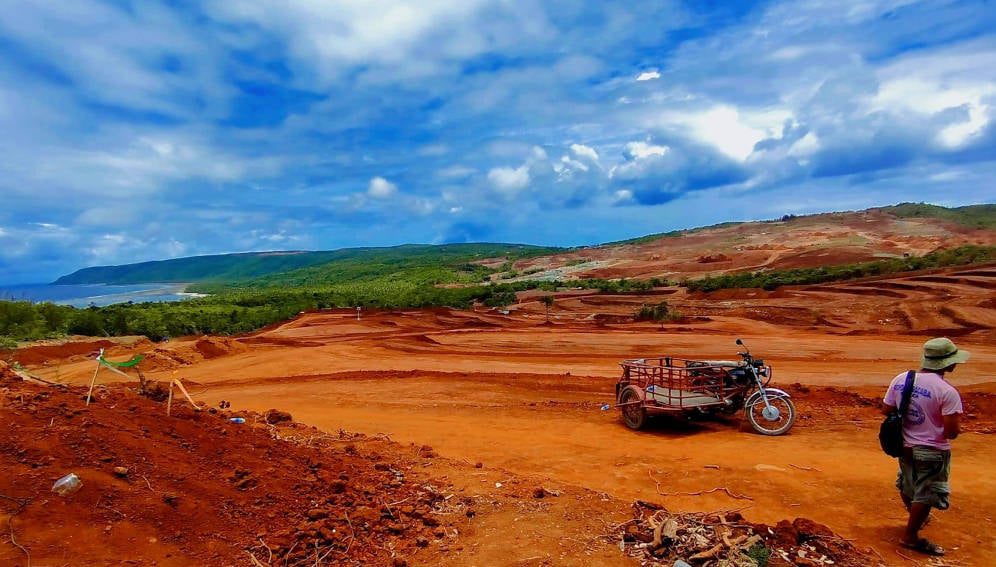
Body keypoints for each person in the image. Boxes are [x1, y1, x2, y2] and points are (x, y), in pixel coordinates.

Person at [882, 337, 967, 556]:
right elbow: (952, 432)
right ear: (947, 363)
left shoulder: (902, 378)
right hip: (932, 449)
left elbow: (886, 408)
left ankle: (916, 515)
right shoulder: (947, 391)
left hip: (905, 444)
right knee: (928, 492)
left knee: (908, 483)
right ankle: (911, 537)